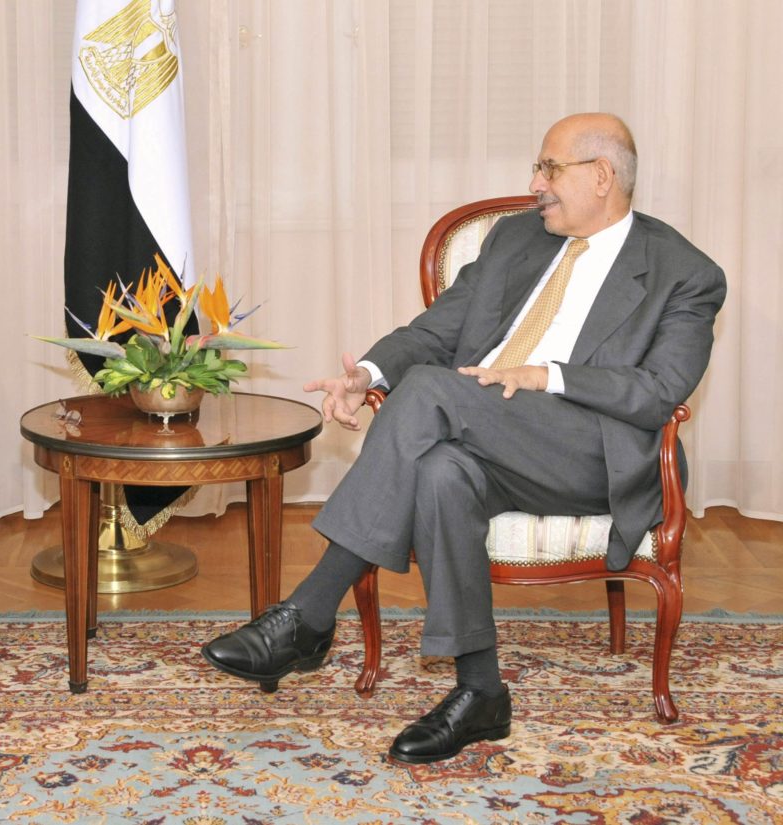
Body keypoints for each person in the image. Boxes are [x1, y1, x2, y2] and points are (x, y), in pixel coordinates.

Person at [201, 113, 726, 764]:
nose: (534, 184)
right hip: (484, 428)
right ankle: (481, 691)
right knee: (440, 470)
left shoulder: (684, 272)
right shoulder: (516, 239)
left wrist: (547, 375)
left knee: (429, 390)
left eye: (549, 169)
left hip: (592, 452)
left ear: (601, 176)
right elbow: (436, 331)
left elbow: (658, 391)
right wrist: (365, 374)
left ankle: (308, 613)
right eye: (537, 168)